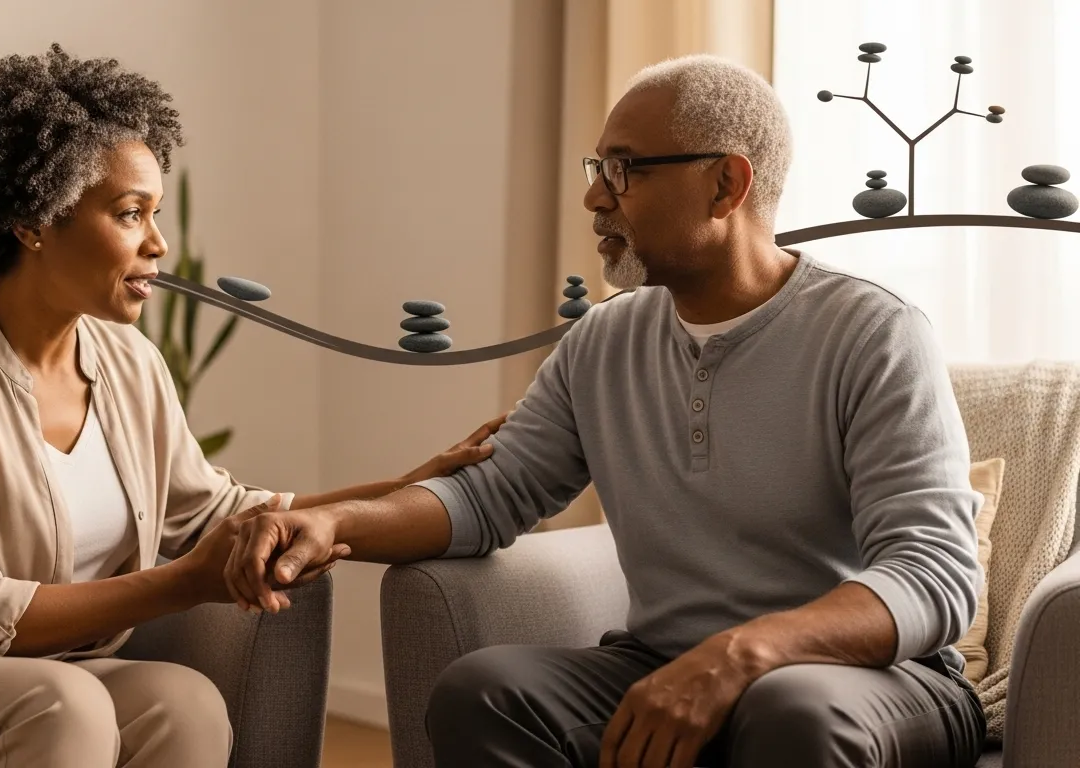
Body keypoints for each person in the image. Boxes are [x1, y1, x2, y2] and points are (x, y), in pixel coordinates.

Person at [0, 44, 504, 768]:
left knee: (184, 702)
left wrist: (405, 488)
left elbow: (218, 512)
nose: (159, 243)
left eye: (156, 213)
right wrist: (186, 583)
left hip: (43, 676)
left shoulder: (129, 362)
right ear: (32, 220)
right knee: (62, 708)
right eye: (131, 213)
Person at [224, 54, 987, 768]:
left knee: (792, 709)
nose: (594, 196)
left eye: (623, 170)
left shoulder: (872, 332)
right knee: (483, 690)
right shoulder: (603, 340)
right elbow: (493, 493)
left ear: (726, 185)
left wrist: (739, 655)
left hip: (877, 681)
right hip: (662, 663)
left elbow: (935, 575)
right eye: (598, 169)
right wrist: (338, 522)